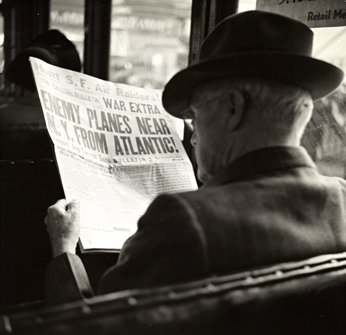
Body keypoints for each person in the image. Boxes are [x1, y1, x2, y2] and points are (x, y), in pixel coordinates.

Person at [44, 10, 346, 305]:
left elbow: (89, 327)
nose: (194, 135)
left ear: (233, 108)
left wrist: (64, 248)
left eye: (195, 115)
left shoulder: (183, 220)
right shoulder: (341, 199)